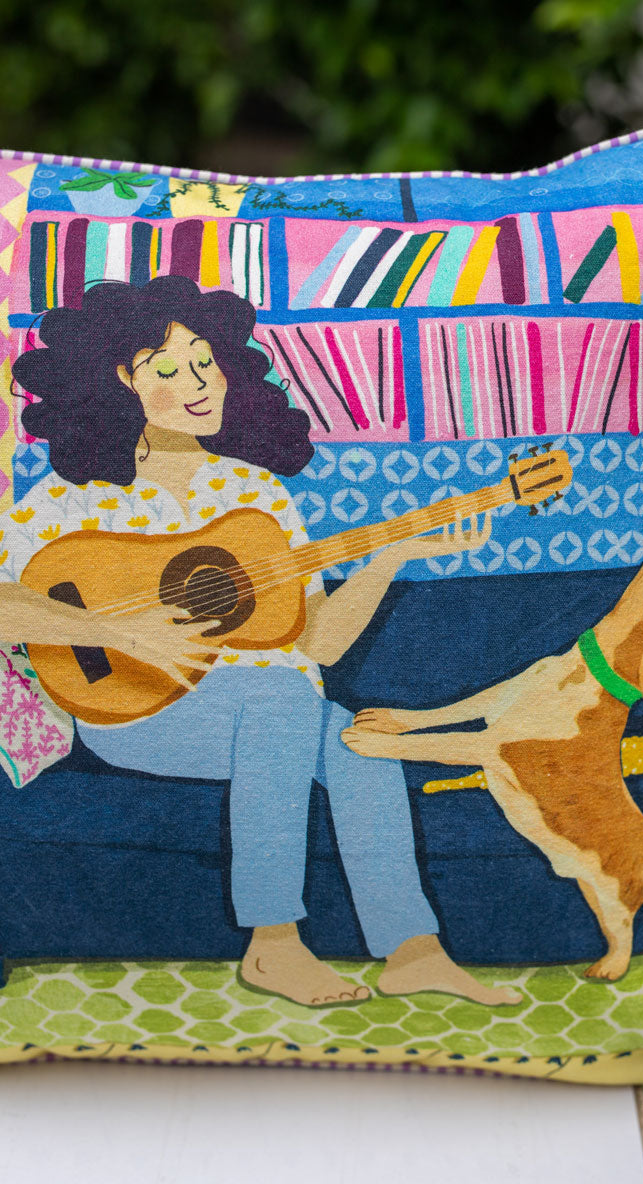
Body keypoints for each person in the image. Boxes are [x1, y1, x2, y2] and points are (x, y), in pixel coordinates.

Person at [0, 275, 520, 1007]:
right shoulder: (73, 496)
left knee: (356, 741)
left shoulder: (257, 496)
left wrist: (391, 559)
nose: (199, 382)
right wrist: (113, 630)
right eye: (168, 367)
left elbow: (321, 646)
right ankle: (274, 946)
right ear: (119, 379)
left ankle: (413, 951)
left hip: (270, 708)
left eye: (205, 360)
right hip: (137, 709)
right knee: (280, 696)